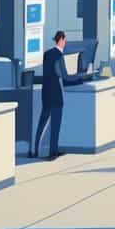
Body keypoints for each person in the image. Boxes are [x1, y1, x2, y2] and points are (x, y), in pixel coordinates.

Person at [33, 31, 74, 160]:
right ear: (61, 39)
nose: (65, 43)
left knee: (42, 121)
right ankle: (53, 152)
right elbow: (64, 75)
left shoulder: (47, 54)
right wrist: (77, 77)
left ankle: (36, 150)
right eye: (65, 40)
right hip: (56, 93)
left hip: (46, 93)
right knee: (55, 124)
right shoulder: (59, 56)